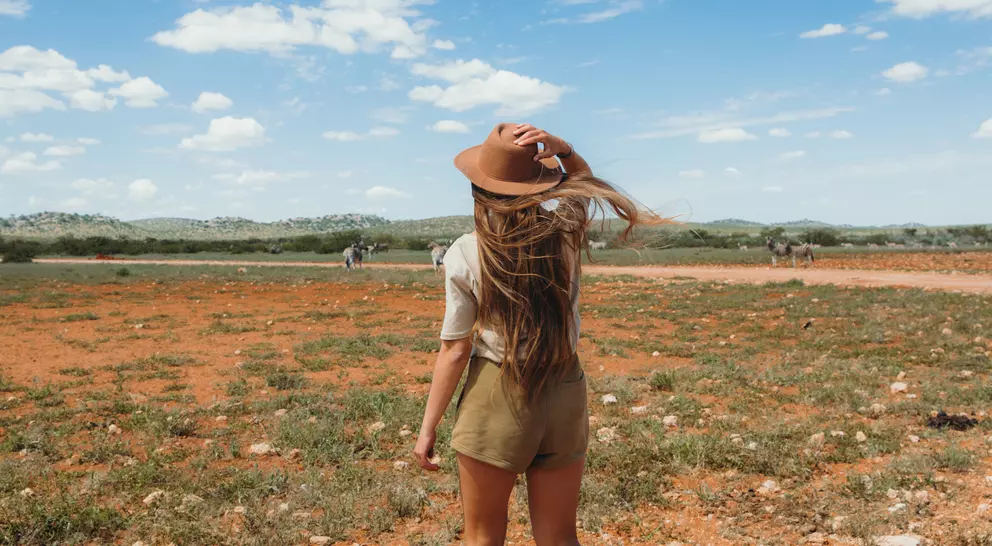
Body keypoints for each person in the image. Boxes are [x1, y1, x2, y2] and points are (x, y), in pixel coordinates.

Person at [414, 123, 656, 546]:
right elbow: (585, 185)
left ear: (478, 191)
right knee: (559, 537)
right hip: (565, 388)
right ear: (539, 187)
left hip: (498, 394)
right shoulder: (564, 234)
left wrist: (427, 427)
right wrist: (567, 151)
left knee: (483, 536)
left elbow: (454, 350)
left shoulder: (466, 251)